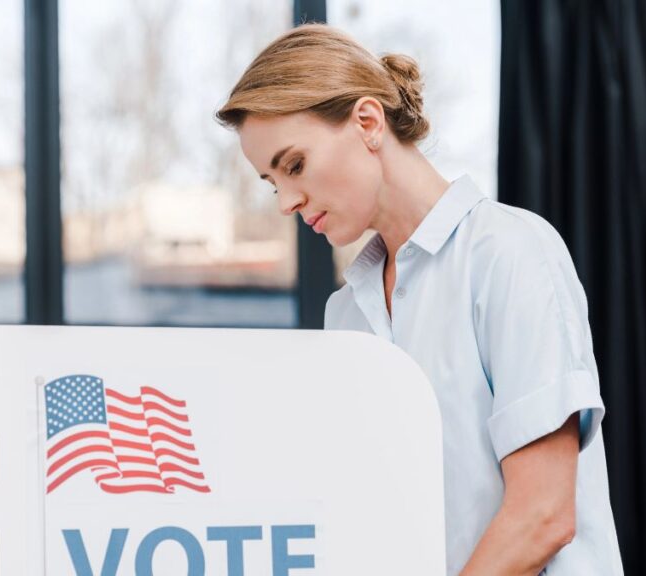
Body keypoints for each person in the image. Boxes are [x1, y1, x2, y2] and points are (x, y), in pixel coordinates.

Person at [217, 23, 623, 575]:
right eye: (271, 182)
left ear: (367, 122)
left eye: (294, 165)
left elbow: (544, 516)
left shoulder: (508, 253)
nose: (286, 201)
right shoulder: (347, 314)